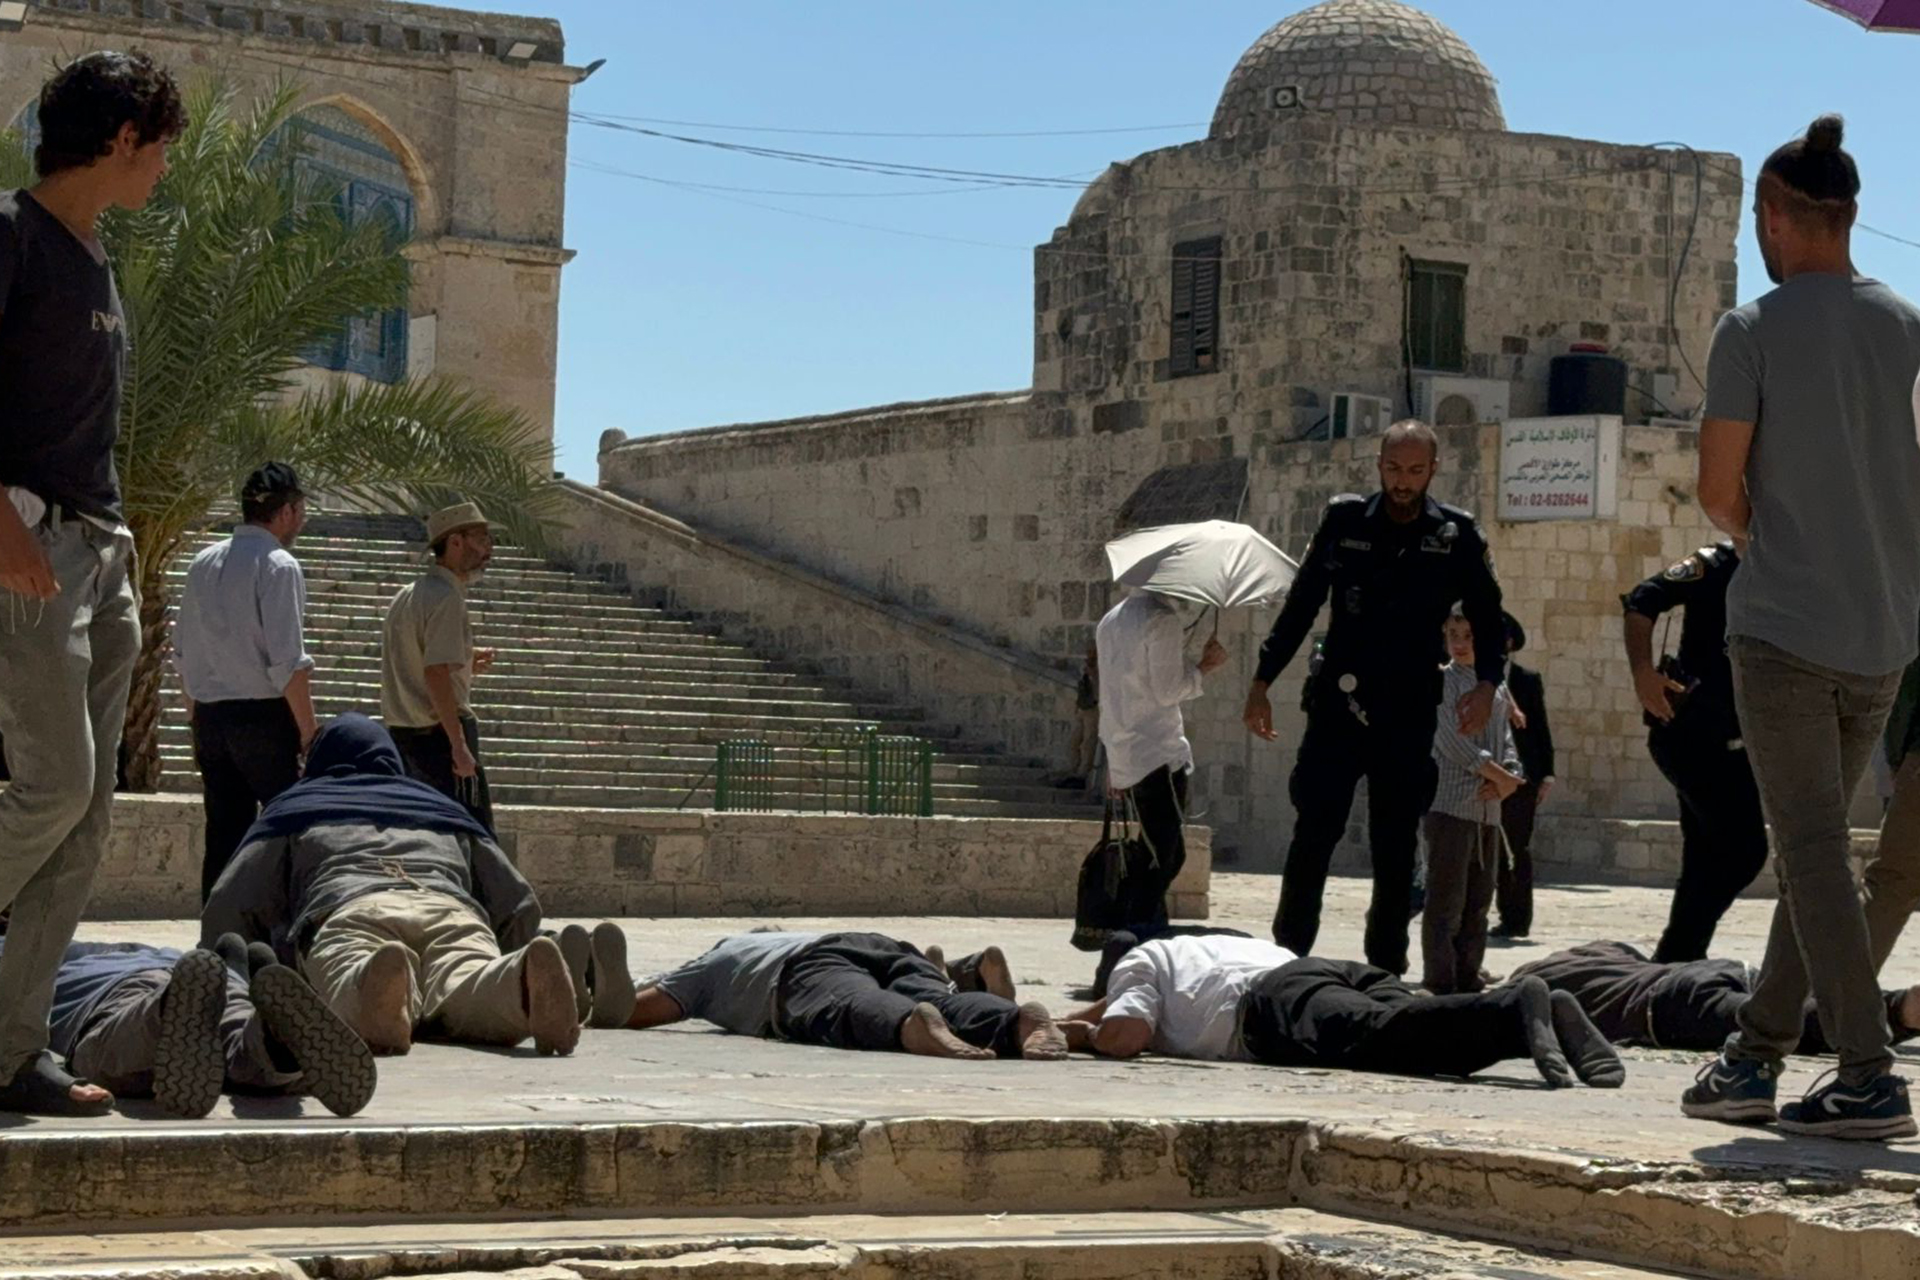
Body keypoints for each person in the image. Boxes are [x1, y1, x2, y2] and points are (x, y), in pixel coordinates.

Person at [1682, 115, 1920, 1141]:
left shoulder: (1753, 330)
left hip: (1783, 629)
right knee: (1822, 850)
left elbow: (1716, 490)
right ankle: (1754, 1052)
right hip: (1885, 635)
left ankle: (1868, 1070)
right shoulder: (1908, 326)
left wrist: (1761, 531)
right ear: (1853, 213)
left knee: (1813, 851)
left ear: (1776, 215)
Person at [0, 51, 185, 1117]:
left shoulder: (94, 258)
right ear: (121, 139)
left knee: (87, 821)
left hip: (102, 551)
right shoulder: (11, 237)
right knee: (52, 786)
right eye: (160, 146)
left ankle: (13, 1048)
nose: (164, 167)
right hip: (27, 547)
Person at [1246, 421, 1507, 975]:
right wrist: (1263, 680)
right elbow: (1302, 603)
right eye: (1393, 469)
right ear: (1379, 465)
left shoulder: (1457, 535)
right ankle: (1285, 958)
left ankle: (1384, 967)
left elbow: (1488, 613)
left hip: (1409, 710)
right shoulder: (1344, 522)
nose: (1402, 482)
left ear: (1433, 470)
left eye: (1414, 471)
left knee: (1394, 845)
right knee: (1314, 831)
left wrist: (1488, 682)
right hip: (1340, 704)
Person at [201, 715, 579, 1058]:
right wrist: (515, 943)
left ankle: (377, 988)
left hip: (353, 909)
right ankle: (520, 983)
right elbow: (516, 901)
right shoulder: (442, 807)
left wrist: (229, 969)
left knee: (348, 975)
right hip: (449, 909)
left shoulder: (296, 807)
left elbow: (229, 902)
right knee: (469, 977)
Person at [1063, 934, 1623, 1090]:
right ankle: (1539, 1016)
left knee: (1382, 1042)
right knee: (1416, 1029)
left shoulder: (1136, 962)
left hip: (1269, 1005)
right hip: (1327, 970)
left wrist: (1081, 1040)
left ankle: (1513, 1009)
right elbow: (1116, 1010)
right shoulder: (1190, 948)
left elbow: (1124, 1035)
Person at [0, 934, 375, 1119]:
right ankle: (276, 1043)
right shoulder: (152, 949)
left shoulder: (28, 947)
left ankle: (167, 1013)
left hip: (115, 993)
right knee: (239, 1039)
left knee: (118, 1045)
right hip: (212, 977)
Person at [173, 462, 316, 903]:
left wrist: (197, 714)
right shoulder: (278, 564)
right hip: (263, 718)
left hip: (213, 717)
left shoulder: (203, 560)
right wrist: (310, 734)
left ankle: (216, 939)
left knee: (224, 834)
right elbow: (288, 661)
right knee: (286, 828)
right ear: (288, 511)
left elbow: (182, 651)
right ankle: (278, 939)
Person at [1622, 541, 1767, 963]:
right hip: (1690, 732)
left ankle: (1676, 962)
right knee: (1744, 851)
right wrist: (1642, 674)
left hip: (1737, 737)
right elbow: (1642, 600)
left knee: (1705, 856)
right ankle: (1678, 953)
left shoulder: (1784, 567)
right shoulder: (1712, 563)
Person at [626, 931, 1068, 1061]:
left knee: (852, 1004)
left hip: (803, 970)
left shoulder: (715, 961)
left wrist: (603, 1011)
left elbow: (643, 1010)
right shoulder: (778, 937)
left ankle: (911, 1026)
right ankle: (1017, 1020)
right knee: (944, 996)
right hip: (880, 944)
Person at [1513, 941, 1920, 1059]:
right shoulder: (1596, 951)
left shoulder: (1529, 990)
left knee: (1786, 1024)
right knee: (1801, 1000)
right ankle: (1897, 1004)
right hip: (1716, 968)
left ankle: (1903, 1008)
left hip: (1669, 1005)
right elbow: (1632, 953)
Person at [1094, 589, 1229, 935]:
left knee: (1160, 848)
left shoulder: (1112, 620)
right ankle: (1136, 930)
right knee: (1164, 853)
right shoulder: (1161, 619)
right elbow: (1168, 692)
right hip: (1156, 753)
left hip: (1126, 750)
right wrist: (1204, 668)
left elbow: (1112, 694)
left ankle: (1143, 926)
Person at [1422, 607, 1522, 994]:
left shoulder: (1494, 687)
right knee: (1446, 901)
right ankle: (1440, 980)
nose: (1461, 644)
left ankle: (1468, 976)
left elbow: (1506, 739)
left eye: (1469, 635)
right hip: (1452, 804)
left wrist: (1509, 778)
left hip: (1488, 809)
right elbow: (1451, 742)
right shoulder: (1442, 683)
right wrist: (1502, 778)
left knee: (1478, 901)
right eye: (1454, 635)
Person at [382, 502, 497, 833]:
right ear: (456, 542)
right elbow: (434, 674)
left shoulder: (407, 594)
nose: (488, 548)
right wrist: (459, 747)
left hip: (404, 740)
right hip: (439, 741)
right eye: (482, 538)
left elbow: (417, 665)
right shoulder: (446, 597)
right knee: (471, 841)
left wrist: (463, 666)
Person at [1493, 612, 1553, 940]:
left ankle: (1518, 919)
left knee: (1518, 847)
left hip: (1521, 778)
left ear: (1510, 643)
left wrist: (1546, 775)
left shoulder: (1526, 680)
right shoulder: (1473, 679)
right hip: (1485, 773)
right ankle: (1500, 914)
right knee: (1493, 852)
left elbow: (1539, 728)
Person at [1060, 646, 1100, 790]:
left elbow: (1099, 690)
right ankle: (1073, 769)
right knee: (1074, 741)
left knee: (1088, 742)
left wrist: (1094, 674)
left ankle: (1082, 773)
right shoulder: (1085, 667)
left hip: (1093, 709)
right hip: (1084, 707)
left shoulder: (1101, 668)